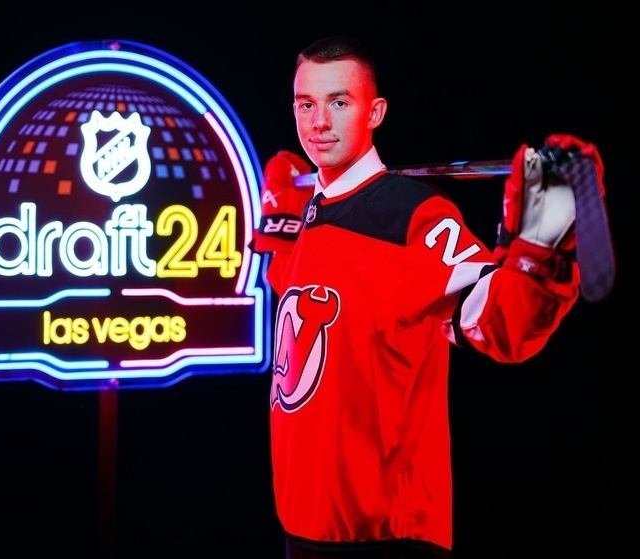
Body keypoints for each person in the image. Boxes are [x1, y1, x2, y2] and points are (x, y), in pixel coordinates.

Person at [250, 35, 607, 558]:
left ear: (375, 112)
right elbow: (308, 302)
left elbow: (501, 322)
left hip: (382, 533)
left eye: (339, 102)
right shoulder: (314, 210)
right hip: (302, 521)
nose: (319, 122)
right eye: (306, 104)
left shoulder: (413, 216)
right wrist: (280, 226)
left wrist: (537, 250)